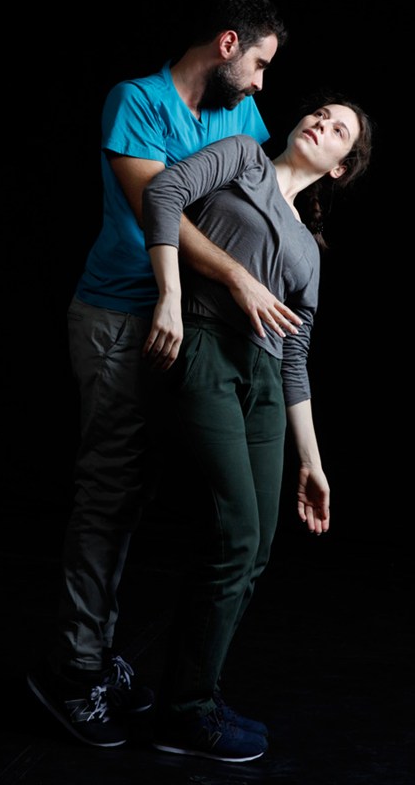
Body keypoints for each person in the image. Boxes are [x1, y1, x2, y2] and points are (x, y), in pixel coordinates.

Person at [27, 0, 294, 748]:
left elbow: (254, 201)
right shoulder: (136, 101)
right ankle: (74, 671)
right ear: (227, 43)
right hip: (120, 318)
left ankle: (129, 667)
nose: (262, 84)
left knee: (158, 498)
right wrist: (238, 278)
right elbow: (161, 209)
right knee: (110, 491)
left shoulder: (240, 113)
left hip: (193, 326)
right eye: (260, 64)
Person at [140, 93, 374, 762]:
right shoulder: (243, 157)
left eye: (338, 130)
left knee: (258, 547)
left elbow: (296, 356)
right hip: (207, 347)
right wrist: (171, 295)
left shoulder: (310, 252)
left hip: (265, 383)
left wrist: (313, 463)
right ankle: (183, 712)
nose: (320, 124)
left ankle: (194, 694)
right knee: (234, 533)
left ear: (339, 167)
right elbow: (162, 194)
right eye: (320, 114)